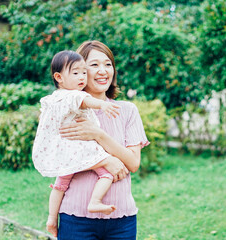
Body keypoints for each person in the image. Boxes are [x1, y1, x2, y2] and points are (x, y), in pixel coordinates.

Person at [56, 41, 149, 239]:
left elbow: (132, 163)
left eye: (108, 64)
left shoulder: (128, 111)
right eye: (94, 65)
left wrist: (98, 134)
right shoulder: (67, 112)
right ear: (79, 71)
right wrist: (108, 161)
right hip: (76, 218)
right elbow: (63, 161)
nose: (103, 71)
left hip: (122, 220)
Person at [32, 50, 123, 237]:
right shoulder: (70, 95)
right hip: (79, 148)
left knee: (60, 184)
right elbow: (84, 101)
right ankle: (95, 201)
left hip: (65, 150)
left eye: (83, 72)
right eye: (75, 73)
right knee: (106, 172)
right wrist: (103, 105)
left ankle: (51, 218)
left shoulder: (54, 97)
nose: (82, 77)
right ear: (59, 77)